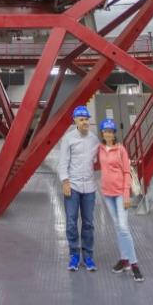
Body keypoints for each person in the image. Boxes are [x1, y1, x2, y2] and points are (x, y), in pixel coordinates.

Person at [98, 118, 144, 282]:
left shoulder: (121, 150)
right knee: (118, 227)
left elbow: (126, 172)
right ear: (102, 133)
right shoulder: (101, 149)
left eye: (111, 131)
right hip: (107, 193)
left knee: (124, 228)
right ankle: (124, 260)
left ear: (114, 133)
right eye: (105, 131)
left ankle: (134, 264)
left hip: (119, 194)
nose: (108, 134)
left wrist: (126, 196)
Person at [58, 104, 100, 272]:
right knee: (71, 222)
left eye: (87, 120)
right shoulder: (68, 138)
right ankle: (74, 255)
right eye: (81, 120)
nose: (85, 122)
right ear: (75, 120)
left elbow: (98, 159)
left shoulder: (94, 139)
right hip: (73, 186)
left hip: (89, 187)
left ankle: (88, 256)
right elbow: (62, 162)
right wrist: (65, 182)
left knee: (89, 223)